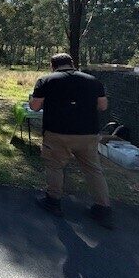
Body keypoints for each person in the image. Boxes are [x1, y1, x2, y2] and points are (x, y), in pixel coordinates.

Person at [30, 53, 113, 229]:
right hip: (87, 134)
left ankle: (53, 201)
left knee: (55, 166)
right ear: (72, 64)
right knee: (93, 170)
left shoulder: (46, 80)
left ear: (52, 65)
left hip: (57, 132)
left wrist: (35, 100)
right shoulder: (93, 81)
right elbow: (103, 106)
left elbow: (35, 107)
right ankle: (103, 207)